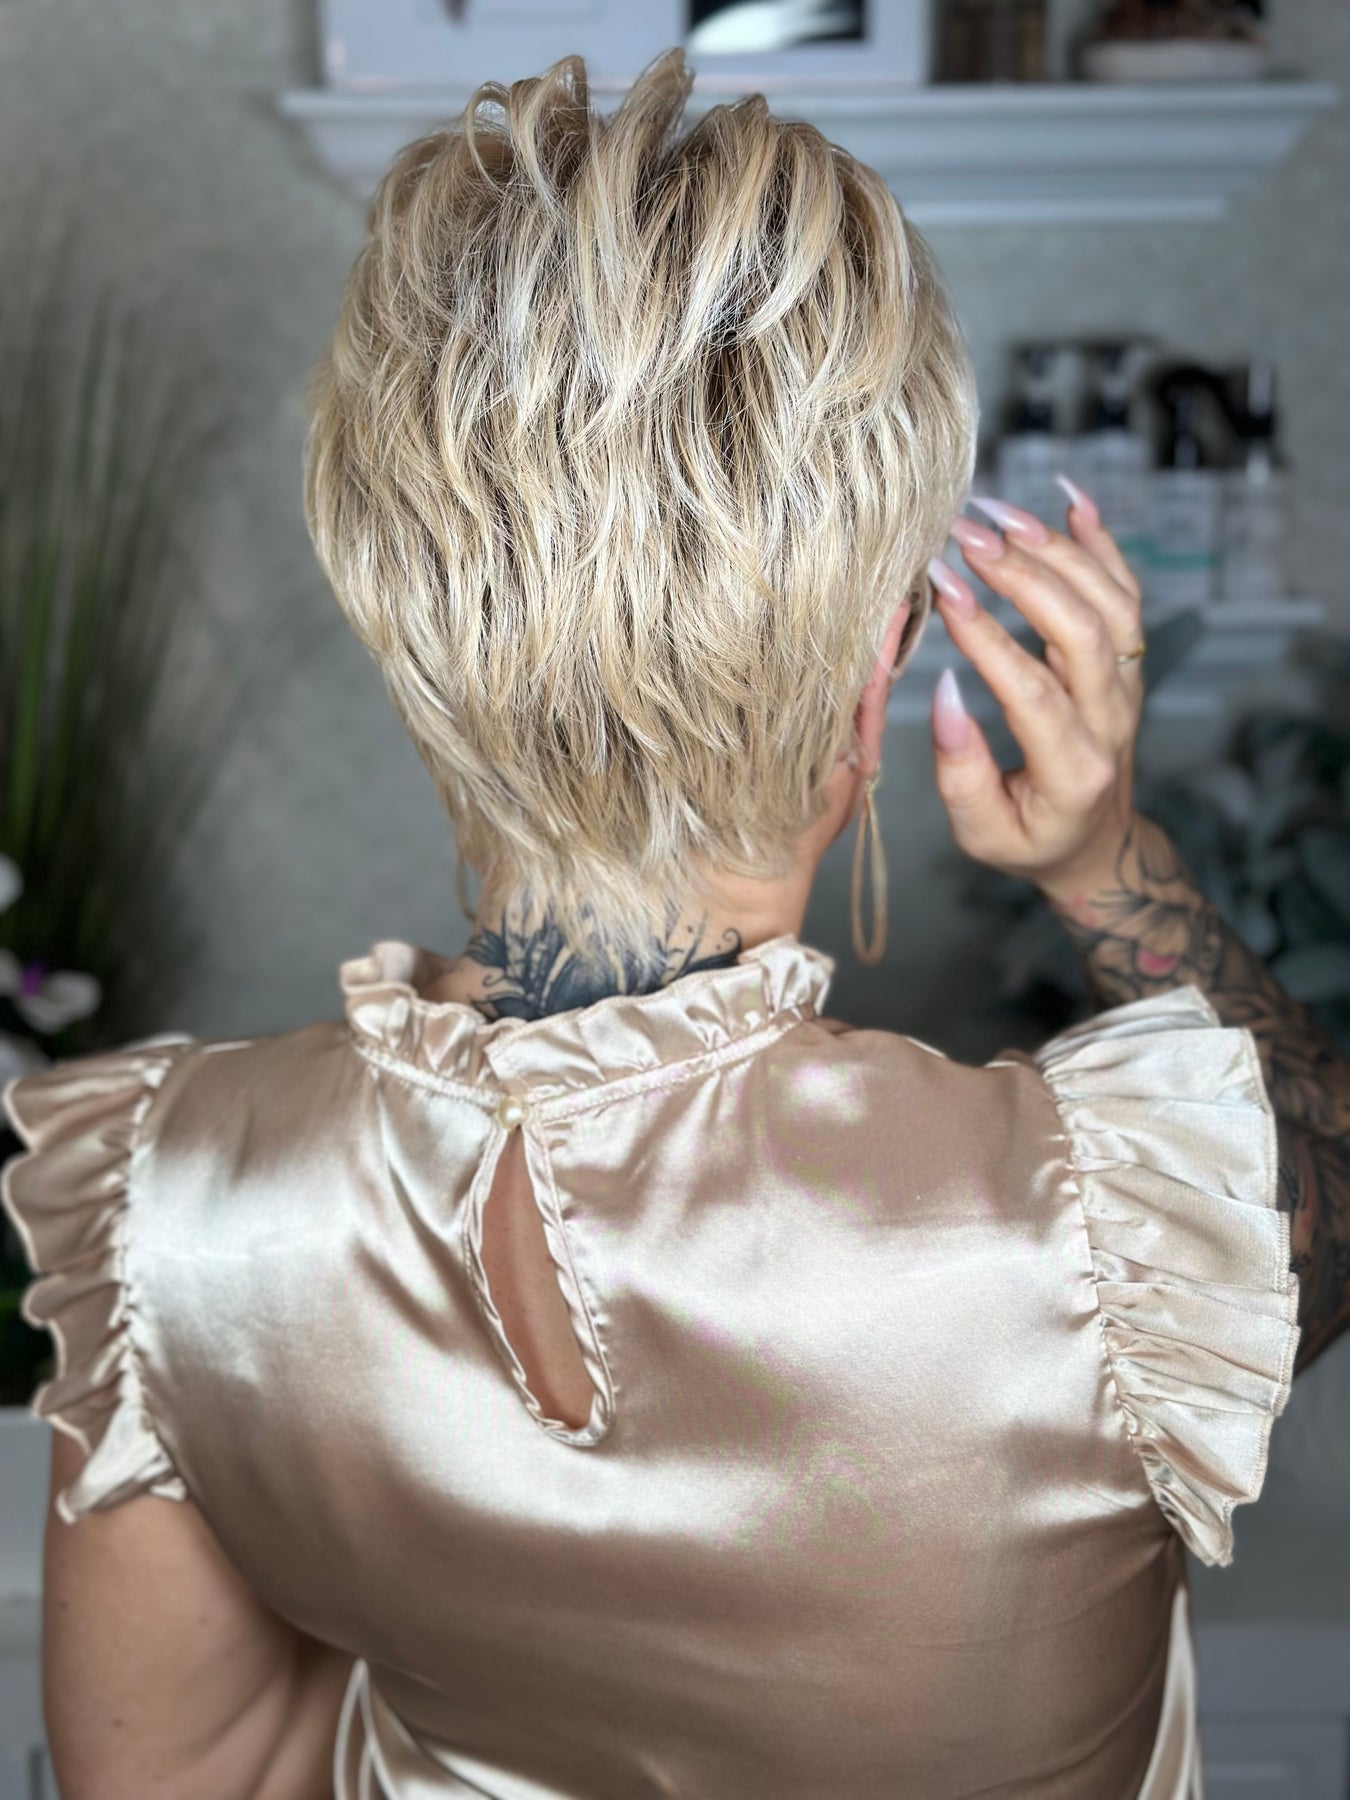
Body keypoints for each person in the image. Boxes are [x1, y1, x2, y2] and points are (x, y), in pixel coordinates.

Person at [1, 47, 1346, 1800]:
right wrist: (1102, 857)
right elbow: (1310, 1161)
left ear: (406, 620)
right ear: (880, 669)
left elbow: (172, 1780)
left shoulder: (172, 1212)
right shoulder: (1094, 1235)